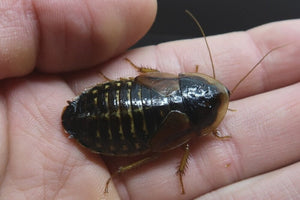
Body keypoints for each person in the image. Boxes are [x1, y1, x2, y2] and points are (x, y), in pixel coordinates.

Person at [0, 1, 299, 199]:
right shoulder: (191, 136)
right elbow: (160, 149)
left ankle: (117, 168)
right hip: (119, 126)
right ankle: (119, 169)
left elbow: (144, 77)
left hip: (120, 98)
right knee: (154, 150)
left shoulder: (176, 81)